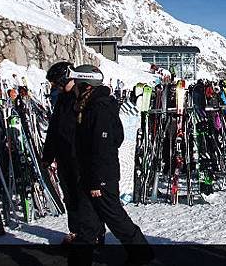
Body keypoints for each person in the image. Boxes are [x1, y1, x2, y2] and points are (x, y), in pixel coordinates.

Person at [70, 64, 153, 263]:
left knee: (114, 216)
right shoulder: (91, 105)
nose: (74, 88)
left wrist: (97, 181)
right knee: (87, 223)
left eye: (77, 85)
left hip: (101, 176)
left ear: (86, 86)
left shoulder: (100, 108)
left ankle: (141, 253)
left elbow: (104, 146)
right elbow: (117, 137)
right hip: (91, 174)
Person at [42, 61, 105, 245]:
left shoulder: (84, 97)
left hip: (80, 156)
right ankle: (77, 231)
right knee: (69, 195)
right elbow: (55, 128)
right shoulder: (62, 99)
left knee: (84, 197)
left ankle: (94, 233)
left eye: (57, 83)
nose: (56, 88)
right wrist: (48, 155)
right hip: (64, 156)